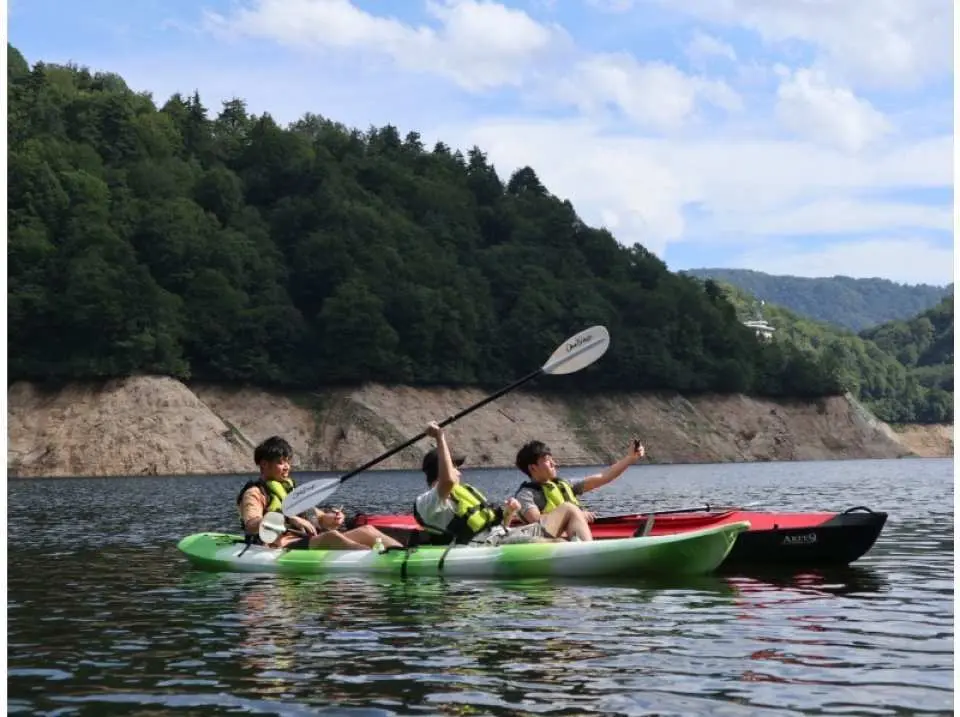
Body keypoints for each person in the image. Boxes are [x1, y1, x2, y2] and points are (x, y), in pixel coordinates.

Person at [413, 421, 593, 545]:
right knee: (559, 543)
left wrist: (508, 514)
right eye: (454, 466)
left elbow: (497, 527)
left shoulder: (457, 493)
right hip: (488, 547)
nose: (459, 472)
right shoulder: (429, 501)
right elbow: (448, 480)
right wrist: (439, 437)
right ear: (441, 469)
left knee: (569, 508)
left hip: (503, 536)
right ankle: (588, 557)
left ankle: (588, 551)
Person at [237, 435, 401, 551]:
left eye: (288, 461)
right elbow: (251, 525)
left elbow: (319, 518)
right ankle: (376, 559)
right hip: (279, 545)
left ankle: (401, 553)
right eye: (281, 463)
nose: (287, 467)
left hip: (304, 540)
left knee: (368, 531)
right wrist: (287, 516)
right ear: (264, 465)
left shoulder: (290, 490)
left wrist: (332, 518)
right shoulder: (255, 493)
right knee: (331, 537)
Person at [514, 438, 645, 530]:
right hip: (549, 540)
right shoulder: (525, 495)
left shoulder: (563, 485)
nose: (554, 464)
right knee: (570, 509)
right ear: (532, 468)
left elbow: (604, 476)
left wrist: (630, 459)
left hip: (573, 533)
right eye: (548, 461)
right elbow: (537, 521)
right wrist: (576, 515)